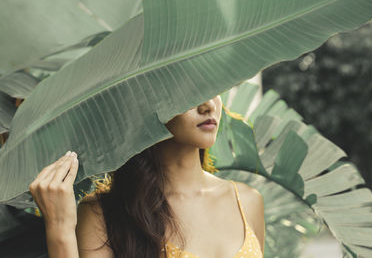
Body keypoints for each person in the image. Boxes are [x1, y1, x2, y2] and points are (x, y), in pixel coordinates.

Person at [29, 95, 265, 258]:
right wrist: (59, 228)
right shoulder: (104, 214)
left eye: (213, 87)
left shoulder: (247, 201)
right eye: (188, 93)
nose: (207, 105)